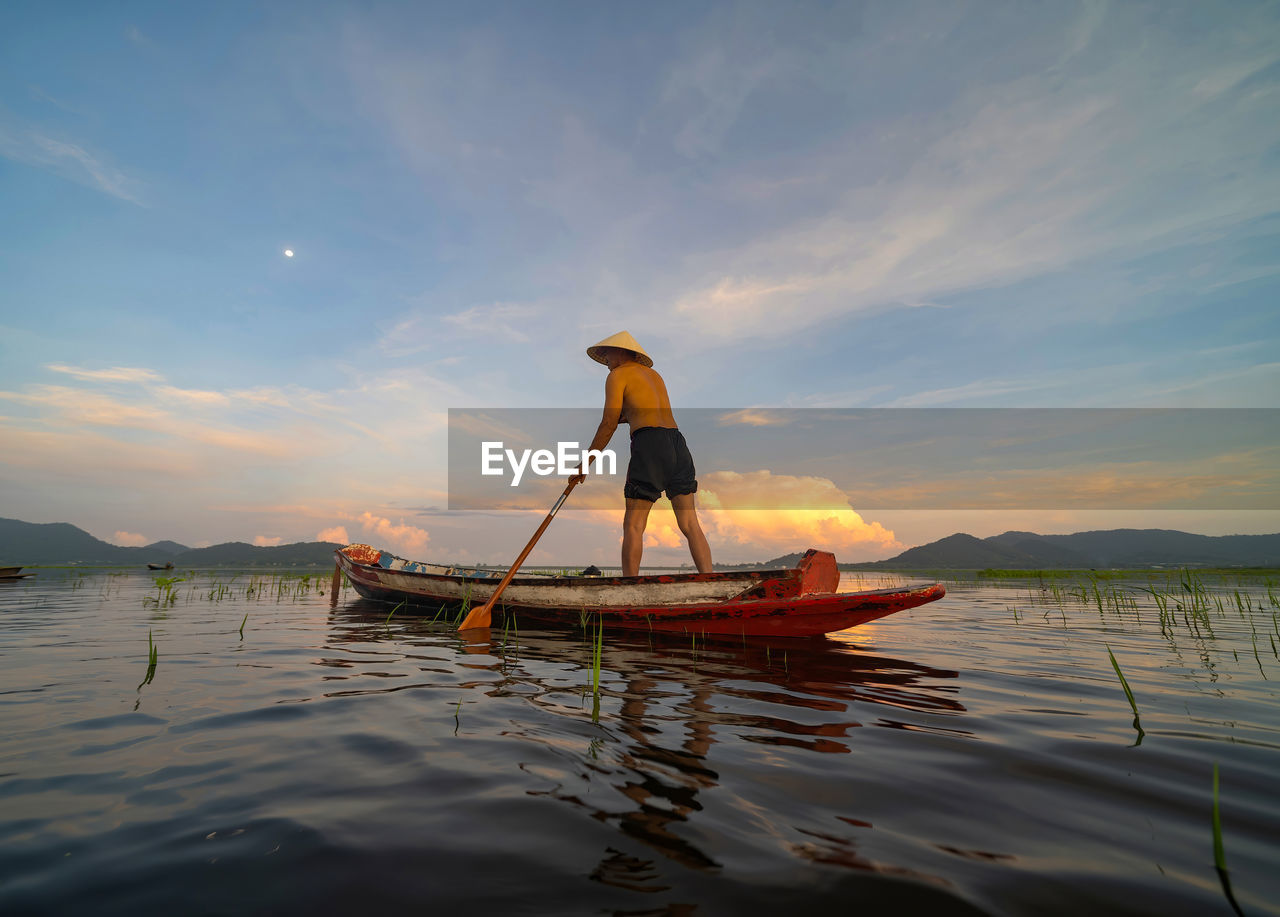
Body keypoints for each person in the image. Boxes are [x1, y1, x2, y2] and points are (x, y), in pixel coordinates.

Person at [570, 331, 713, 577]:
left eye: (607, 352)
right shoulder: (654, 376)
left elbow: (608, 424)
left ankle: (629, 589)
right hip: (677, 443)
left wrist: (586, 463)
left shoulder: (618, 375)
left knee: (634, 525)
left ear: (624, 352)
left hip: (649, 444)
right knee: (690, 524)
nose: (604, 358)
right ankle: (711, 581)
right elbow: (643, 412)